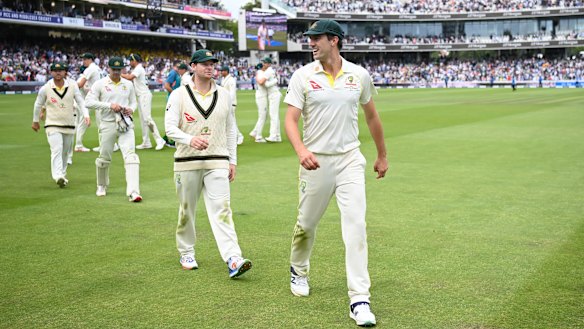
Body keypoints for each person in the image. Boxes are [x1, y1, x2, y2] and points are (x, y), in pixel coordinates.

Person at [283, 20, 388, 327]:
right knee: (306, 224)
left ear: (334, 40)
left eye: (316, 39)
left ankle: (359, 299)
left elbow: (372, 117)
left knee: (356, 227)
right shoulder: (303, 75)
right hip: (315, 161)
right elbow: (290, 120)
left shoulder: (359, 75)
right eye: (310, 39)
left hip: (349, 160)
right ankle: (298, 270)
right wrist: (302, 151)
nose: (311, 43)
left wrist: (382, 154)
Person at [164, 49, 252, 278]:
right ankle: (186, 251)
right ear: (193, 66)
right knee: (186, 211)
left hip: (217, 161)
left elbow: (230, 129)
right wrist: (190, 139)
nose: (210, 67)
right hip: (186, 161)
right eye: (204, 63)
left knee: (222, 210)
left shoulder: (224, 94)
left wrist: (232, 159)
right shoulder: (178, 95)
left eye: (212, 63)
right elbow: (170, 128)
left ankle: (233, 258)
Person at [85, 57, 142, 202]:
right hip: (107, 124)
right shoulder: (100, 84)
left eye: (119, 69)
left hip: (125, 124)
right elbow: (88, 102)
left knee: (131, 157)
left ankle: (134, 192)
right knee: (104, 158)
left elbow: (134, 102)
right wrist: (109, 105)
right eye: (114, 69)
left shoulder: (128, 84)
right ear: (108, 68)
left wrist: (131, 109)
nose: (116, 72)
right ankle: (102, 185)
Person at [31, 61, 90, 187]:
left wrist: (86, 115)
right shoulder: (46, 88)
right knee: (56, 150)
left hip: (69, 124)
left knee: (65, 152)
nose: (58, 72)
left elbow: (80, 101)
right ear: (51, 72)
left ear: (65, 72)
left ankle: (62, 174)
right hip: (52, 124)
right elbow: (38, 104)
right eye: (55, 70)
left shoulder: (73, 86)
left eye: (61, 70)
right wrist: (35, 121)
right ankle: (57, 175)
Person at [122, 53, 165, 150]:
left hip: (144, 95)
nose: (130, 62)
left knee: (147, 119)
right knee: (143, 120)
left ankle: (159, 140)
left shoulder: (138, 68)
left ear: (135, 61)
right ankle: (146, 142)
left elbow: (129, 78)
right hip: (141, 96)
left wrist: (117, 74)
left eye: (131, 61)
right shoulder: (138, 68)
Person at [76, 52, 103, 153]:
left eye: (85, 59)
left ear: (90, 59)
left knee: (98, 121)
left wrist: (70, 89)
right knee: (102, 121)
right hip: (97, 97)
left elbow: (80, 83)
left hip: (93, 98)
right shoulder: (97, 68)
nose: (83, 61)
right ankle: (110, 144)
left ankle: (79, 145)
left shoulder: (90, 68)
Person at [163, 62, 189, 148]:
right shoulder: (181, 76)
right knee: (176, 121)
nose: (178, 70)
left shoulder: (185, 78)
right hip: (178, 101)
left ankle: (173, 140)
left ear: (183, 70)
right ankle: (172, 139)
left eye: (180, 69)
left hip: (181, 101)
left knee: (178, 121)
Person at [256, 57, 282, 142]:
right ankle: (277, 136)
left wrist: (274, 81)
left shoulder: (269, 71)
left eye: (265, 63)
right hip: (273, 94)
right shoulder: (268, 71)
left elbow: (264, 84)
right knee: (275, 115)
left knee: (273, 115)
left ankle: (273, 136)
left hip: (273, 94)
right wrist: (275, 81)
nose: (263, 64)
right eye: (263, 62)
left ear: (269, 64)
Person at [220, 65, 244, 145]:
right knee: (228, 122)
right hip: (225, 103)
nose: (221, 72)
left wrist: (228, 102)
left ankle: (239, 136)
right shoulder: (224, 79)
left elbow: (232, 93)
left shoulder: (231, 80)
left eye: (223, 71)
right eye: (221, 71)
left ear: (226, 71)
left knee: (232, 122)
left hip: (230, 104)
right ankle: (231, 138)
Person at [249, 63, 268, 143]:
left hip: (261, 95)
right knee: (262, 116)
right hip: (261, 96)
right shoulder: (260, 73)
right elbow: (261, 82)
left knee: (264, 116)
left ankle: (255, 132)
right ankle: (258, 136)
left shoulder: (259, 73)